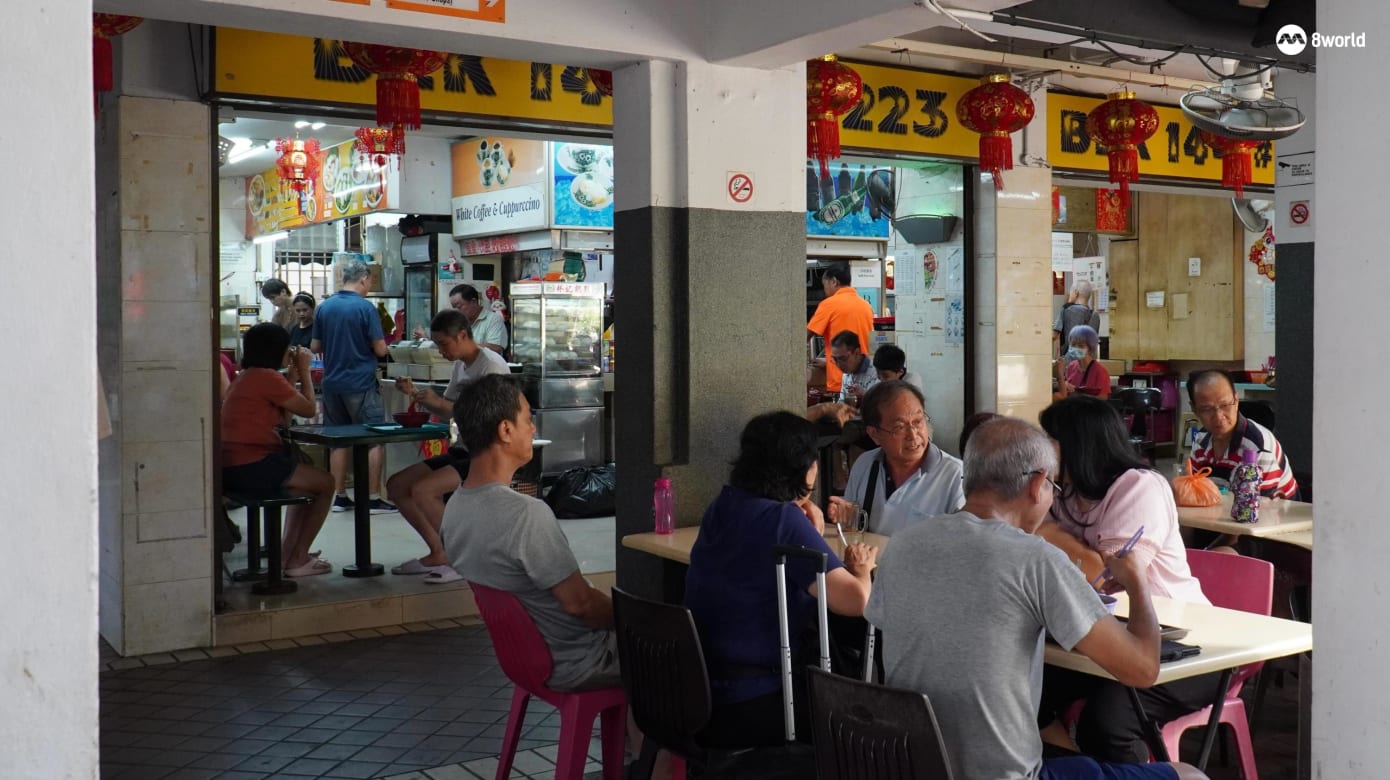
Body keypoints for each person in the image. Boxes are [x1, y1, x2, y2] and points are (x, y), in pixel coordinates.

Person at [865, 416, 1209, 780]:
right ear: (1037, 483)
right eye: (1054, 487)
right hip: (1004, 777)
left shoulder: (903, 545)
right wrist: (1137, 580)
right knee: (1190, 776)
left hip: (908, 765)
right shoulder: (1037, 559)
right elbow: (1142, 669)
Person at [1036, 395, 1216, 764]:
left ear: (1079, 443)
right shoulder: (1064, 490)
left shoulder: (1139, 486)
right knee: (1024, 691)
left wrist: (1048, 532)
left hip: (1182, 642)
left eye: (1049, 439)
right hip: (1104, 632)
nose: (1040, 450)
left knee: (1107, 723)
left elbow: (1105, 576)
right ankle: (1080, 769)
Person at [685, 410, 877, 748]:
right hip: (760, 699)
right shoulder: (783, 520)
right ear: (802, 468)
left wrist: (807, 526)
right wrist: (861, 568)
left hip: (701, 689)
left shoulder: (724, 504)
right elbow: (855, 601)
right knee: (858, 717)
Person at [442, 374, 620, 691]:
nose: (533, 429)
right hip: (580, 662)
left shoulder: (455, 507)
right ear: (505, 430)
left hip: (523, 660)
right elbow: (580, 605)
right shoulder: (525, 514)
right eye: (527, 419)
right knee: (685, 648)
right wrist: (632, 620)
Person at [386, 309, 511, 584]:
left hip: (488, 453)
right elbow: (449, 410)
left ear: (463, 335)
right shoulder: (461, 365)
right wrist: (417, 395)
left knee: (424, 490)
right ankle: (439, 552)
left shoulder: (491, 365)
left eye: (443, 344)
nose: (441, 351)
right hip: (464, 449)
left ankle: (462, 560)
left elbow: (489, 418)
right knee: (397, 485)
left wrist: (439, 403)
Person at [221, 323, 335, 577]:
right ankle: (298, 557)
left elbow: (283, 419)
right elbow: (308, 409)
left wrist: (292, 376)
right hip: (251, 464)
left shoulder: (247, 376)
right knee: (326, 483)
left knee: (307, 485)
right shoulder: (265, 377)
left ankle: (288, 554)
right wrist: (304, 371)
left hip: (232, 466)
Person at [310, 258, 395, 514]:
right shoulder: (365, 308)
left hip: (332, 384)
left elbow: (315, 346)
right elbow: (380, 349)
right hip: (361, 383)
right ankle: (372, 498)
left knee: (339, 440)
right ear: (363, 279)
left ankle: (339, 497)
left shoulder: (325, 307)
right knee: (374, 439)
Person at [834, 381, 964, 536]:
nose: (913, 435)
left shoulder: (957, 476)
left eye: (918, 421)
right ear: (875, 434)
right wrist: (846, 519)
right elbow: (851, 530)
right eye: (899, 427)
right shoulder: (865, 465)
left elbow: (963, 544)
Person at [1188, 370, 1297, 498]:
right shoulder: (1201, 440)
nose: (1218, 416)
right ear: (1194, 409)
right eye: (1207, 409)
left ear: (1236, 400)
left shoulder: (1258, 446)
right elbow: (1196, 491)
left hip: (1277, 509)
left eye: (1225, 405)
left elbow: (1260, 505)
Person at [807, 265, 874, 394]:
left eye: (825, 285)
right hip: (866, 375)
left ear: (834, 281)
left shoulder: (829, 304)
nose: (825, 290)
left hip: (842, 377)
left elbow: (806, 335)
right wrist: (827, 362)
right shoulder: (866, 305)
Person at [414, 283, 509, 355]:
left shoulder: (493, 320)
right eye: (454, 307)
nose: (456, 311)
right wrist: (426, 339)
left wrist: (461, 346)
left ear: (473, 301)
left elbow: (496, 348)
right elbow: (446, 345)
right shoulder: (456, 323)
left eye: (459, 306)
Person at [1054, 324, 1110, 400]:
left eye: (1081, 346)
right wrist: (1065, 384)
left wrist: (1080, 398)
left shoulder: (1100, 371)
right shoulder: (1071, 366)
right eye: (1073, 345)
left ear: (1090, 348)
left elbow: (1103, 398)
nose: (1076, 348)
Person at [829, 330, 879, 406]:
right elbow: (841, 403)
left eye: (843, 359)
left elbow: (881, 405)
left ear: (856, 352)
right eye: (835, 359)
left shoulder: (876, 372)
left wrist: (864, 396)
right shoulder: (846, 374)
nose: (838, 364)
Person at [1053, 279, 1100, 360]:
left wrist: (1069, 302)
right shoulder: (1095, 315)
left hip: (1070, 361)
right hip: (1088, 363)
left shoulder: (1067, 310)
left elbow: (1054, 335)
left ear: (1076, 292)